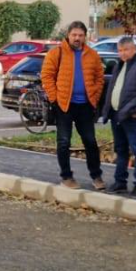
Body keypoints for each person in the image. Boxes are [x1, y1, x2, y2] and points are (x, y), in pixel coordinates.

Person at [41, 21, 105, 190]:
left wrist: (95, 96)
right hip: (64, 105)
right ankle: (66, 177)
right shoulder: (57, 53)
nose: (77, 38)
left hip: (85, 106)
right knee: (63, 142)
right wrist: (54, 98)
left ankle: (96, 176)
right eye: (74, 35)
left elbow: (99, 77)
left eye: (80, 35)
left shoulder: (92, 55)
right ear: (68, 35)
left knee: (90, 142)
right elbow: (46, 76)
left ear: (85, 36)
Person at [100, 37, 136, 195]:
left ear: (134, 49)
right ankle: (120, 182)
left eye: (126, 49)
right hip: (117, 116)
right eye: (120, 50)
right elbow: (113, 89)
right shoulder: (119, 65)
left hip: (133, 117)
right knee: (121, 150)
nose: (122, 53)